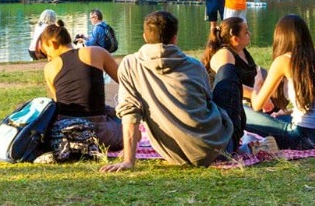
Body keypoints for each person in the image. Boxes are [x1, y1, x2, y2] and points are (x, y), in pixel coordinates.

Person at [100, 10, 236, 172]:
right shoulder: (195, 65)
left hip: (175, 155)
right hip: (218, 149)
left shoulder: (129, 65)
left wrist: (128, 161)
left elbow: (130, 112)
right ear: (174, 38)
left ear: (145, 37)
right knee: (227, 75)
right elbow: (208, 99)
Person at [246, 14, 315, 150]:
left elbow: (257, 105)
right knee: (278, 117)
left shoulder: (284, 60)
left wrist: (257, 83)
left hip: (304, 137)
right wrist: (288, 112)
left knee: (244, 112)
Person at [39, 20, 123, 149]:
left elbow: (58, 104)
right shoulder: (96, 52)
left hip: (66, 135)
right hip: (101, 135)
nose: (48, 58)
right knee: (132, 130)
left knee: (109, 112)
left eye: (46, 52)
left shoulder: (49, 68)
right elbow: (125, 81)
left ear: (53, 44)